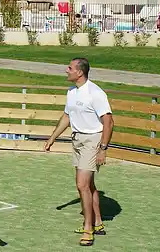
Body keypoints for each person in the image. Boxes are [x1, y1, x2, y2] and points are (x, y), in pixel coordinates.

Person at [44, 58, 114, 247]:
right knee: (88, 185)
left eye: (70, 68)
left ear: (80, 72)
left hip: (93, 141)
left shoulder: (95, 93)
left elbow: (108, 122)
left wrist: (103, 149)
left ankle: (88, 229)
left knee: (81, 185)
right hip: (77, 140)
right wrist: (52, 138)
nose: (66, 70)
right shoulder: (71, 92)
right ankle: (97, 223)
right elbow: (67, 116)